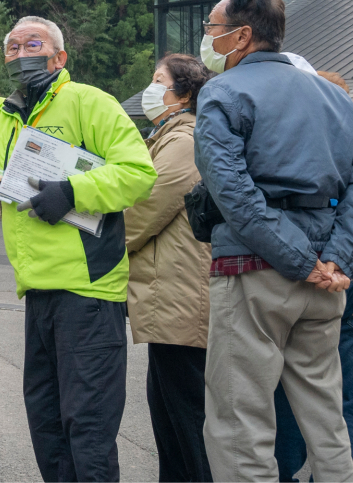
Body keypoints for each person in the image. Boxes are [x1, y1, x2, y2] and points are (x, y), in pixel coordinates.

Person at [0, 4, 157, 482]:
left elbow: (138, 173)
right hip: (38, 291)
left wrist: (72, 191)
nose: (21, 53)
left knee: (88, 430)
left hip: (88, 293)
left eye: (34, 45)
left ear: (59, 57)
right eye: (13, 47)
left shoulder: (90, 102)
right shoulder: (7, 114)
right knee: (48, 427)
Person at [194, 0, 353, 483]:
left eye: (212, 28)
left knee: (240, 421)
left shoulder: (223, 92)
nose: (207, 37)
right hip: (327, 280)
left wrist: (300, 260)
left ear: (241, 36)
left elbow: (232, 192)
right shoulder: (335, 97)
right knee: (327, 417)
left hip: (255, 271)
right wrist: (336, 259)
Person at [271, 71, 353, 482]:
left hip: (314, 273)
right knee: (339, 397)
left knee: (299, 396)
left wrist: (317, 263)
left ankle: (292, 473)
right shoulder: (352, 140)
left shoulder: (292, 139)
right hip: (343, 272)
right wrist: (338, 260)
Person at [124, 54, 213, 483]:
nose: (150, 89)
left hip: (179, 297)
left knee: (187, 418)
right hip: (169, 296)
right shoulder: (167, 136)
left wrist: (101, 243)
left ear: (185, 94)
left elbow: (144, 209)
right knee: (169, 416)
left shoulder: (185, 140)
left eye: (158, 81)